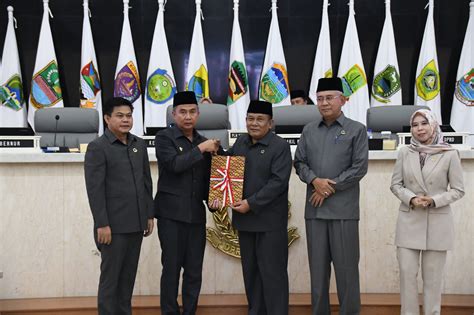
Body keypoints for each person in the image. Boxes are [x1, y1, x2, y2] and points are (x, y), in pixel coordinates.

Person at [294, 77, 368, 315]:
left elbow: (359, 168)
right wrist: (315, 180)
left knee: (347, 271)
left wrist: (329, 187)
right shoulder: (308, 130)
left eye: (329, 98)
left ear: (343, 100)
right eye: (320, 98)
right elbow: (299, 162)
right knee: (317, 272)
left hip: (343, 211)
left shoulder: (356, 129)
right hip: (314, 212)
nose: (324, 103)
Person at [210, 100, 292, 315]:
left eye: (260, 119)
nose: (254, 123)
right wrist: (216, 153)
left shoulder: (280, 147)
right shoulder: (241, 143)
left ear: (271, 123)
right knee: (252, 275)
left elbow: (278, 182)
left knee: (273, 276)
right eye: (250, 118)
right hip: (245, 222)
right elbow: (228, 170)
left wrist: (251, 203)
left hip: (270, 224)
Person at [390, 109, 464, 315]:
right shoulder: (405, 152)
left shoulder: (449, 153)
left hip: (438, 224)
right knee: (406, 276)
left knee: (432, 279)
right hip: (409, 221)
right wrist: (411, 198)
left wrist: (434, 200)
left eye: (424, 123)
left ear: (433, 124)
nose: (419, 128)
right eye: (415, 125)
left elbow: (459, 190)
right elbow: (395, 185)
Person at [84, 97, 154, 314]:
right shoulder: (98, 147)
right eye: (120, 116)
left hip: (136, 224)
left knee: (127, 281)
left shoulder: (138, 145)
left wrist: (149, 215)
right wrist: (102, 224)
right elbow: (95, 191)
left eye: (129, 115)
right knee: (110, 282)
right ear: (107, 119)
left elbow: (146, 182)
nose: (126, 120)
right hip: (112, 228)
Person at [154, 91, 220, 315]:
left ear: (198, 114)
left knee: (194, 272)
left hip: (195, 215)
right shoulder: (164, 138)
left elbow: (210, 178)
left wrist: (217, 199)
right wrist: (201, 149)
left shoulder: (205, 142)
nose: (188, 116)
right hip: (170, 215)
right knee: (171, 270)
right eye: (182, 112)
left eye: (192, 112)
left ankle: (190, 311)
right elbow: (174, 165)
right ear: (173, 114)